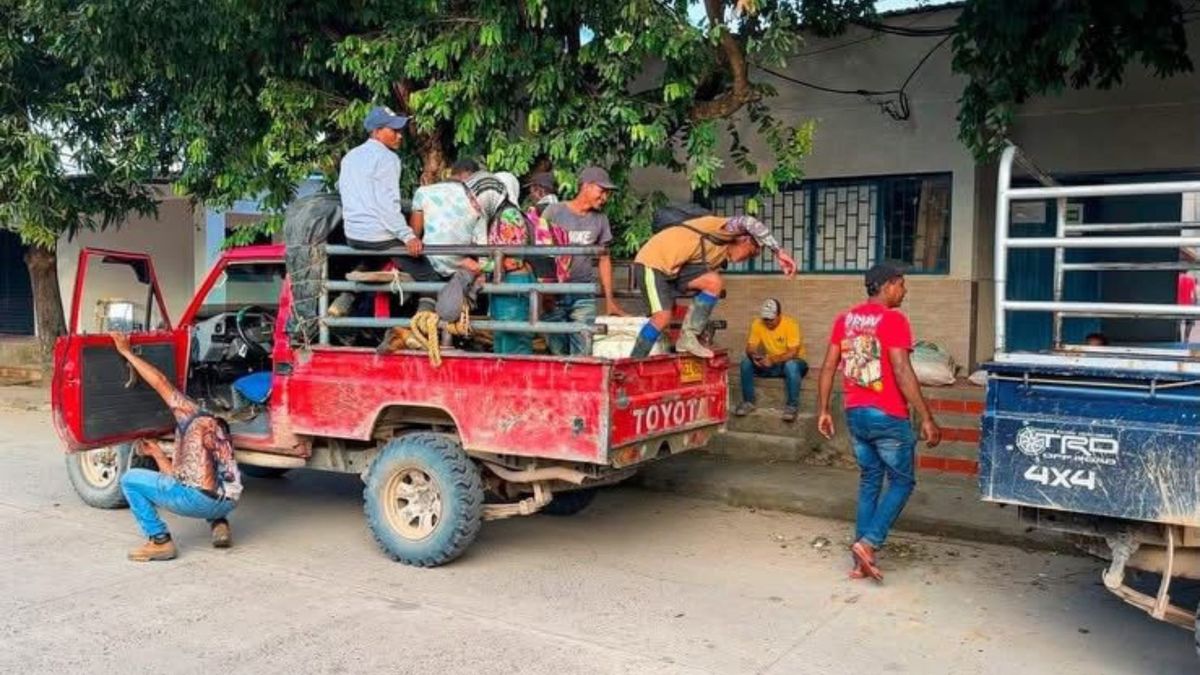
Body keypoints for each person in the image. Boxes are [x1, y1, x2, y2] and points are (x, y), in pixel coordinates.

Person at [815, 262, 941, 582]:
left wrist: (824, 410)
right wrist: (926, 416)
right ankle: (869, 543)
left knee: (870, 480)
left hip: (856, 413)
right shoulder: (893, 319)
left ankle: (859, 559)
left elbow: (829, 366)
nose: (905, 290)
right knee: (902, 482)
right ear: (887, 286)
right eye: (901, 284)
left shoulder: (845, 320)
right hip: (888, 415)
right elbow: (901, 370)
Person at [108, 333, 243, 562]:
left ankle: (159, 541)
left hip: (198, 501)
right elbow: (184, 476)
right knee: (206, 479)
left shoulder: (189, 413)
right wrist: (159, 455)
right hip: (228, 503)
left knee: (130, 479)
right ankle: (219, 523)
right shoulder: (217, 426)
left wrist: (126, 352)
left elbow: (160, 381)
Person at [630, 207, 798, 359]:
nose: (750, 258)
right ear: (744, 239)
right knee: (663, 316)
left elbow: (702, 292)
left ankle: (689, 337)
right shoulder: (722, 229)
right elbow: (749, 222)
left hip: (675, 268)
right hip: (654, 261)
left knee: (714, 283)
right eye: (752, 253)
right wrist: (778, 251)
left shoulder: (719, 256)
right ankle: (634, 360)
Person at [331, 106, 435, 317]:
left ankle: (345, 297)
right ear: (376, 132)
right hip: (377, 234)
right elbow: (386, 204)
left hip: (354, 235)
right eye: (393, 131)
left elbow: (343, 190)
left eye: (399, 131)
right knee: (430, 276)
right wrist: (408, 237)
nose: (399, 136)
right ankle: (424, 320)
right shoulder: (388, 159)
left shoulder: (350, 157)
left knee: (377, 256)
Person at [541, 167, 627, 355]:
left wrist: (609, 300)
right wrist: (544, 291)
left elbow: (604, 259)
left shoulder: (600, 220)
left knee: (582, 350)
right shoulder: (554, 212)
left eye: (607, 193)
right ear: (586, 186)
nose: (604, 197)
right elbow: (539, 252)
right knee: (558, 352)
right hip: (554, 293)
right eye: (602, 191)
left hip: (583, 292)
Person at [735, 298, 807, 422]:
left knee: (791, 365)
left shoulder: (791, 324)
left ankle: (791, 406)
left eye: (771, 319)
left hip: (794, 363)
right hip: (772, 364)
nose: (768, 323)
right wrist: (754, 356)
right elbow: (750, 347)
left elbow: (793, 353)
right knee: (746, 362)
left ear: (779, 315)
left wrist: (772, 360)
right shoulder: (757, 324)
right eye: (765, 319)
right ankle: (748, 402)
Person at [1178, 270, 1196, 342]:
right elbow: (1194, 294)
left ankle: (1178, 339)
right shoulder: (1191, 279)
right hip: (1189, 305)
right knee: (1189, 322)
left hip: (1177, 305)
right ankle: (1186, 338)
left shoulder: (1176, 279)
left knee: (1177, 323)